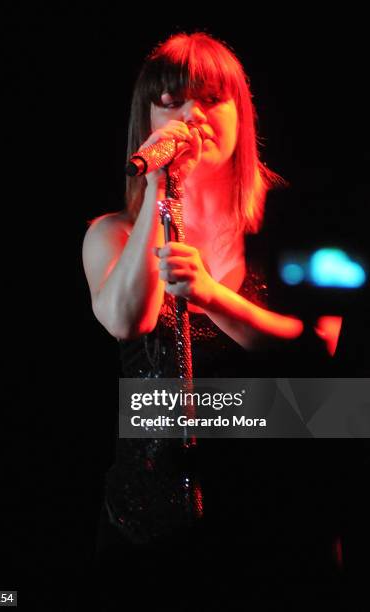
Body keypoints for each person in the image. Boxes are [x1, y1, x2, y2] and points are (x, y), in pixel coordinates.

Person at [82, 32, 344, 610]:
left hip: (276, 520)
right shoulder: (114, 234)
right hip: (146, 530)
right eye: (171, 102)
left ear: (240, 113)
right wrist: (158, 189)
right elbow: (127, 320)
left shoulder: (293, 222)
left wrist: (210, 296)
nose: (190, 116)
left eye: (209, 100)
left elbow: (321, 354)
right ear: (148, 117)